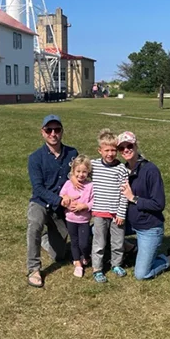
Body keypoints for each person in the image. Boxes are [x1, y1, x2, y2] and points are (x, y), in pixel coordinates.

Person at [26, 114, 79, 288]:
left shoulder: (72, 153)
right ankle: (34, 268)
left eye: (57, 129)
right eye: (49, 130)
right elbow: (38, 188)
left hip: (61, 209)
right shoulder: (35, 158)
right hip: (41, 202)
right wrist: (59, 199)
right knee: (34, 223)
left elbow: (80, 177)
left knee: (59, 256)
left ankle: (45, 240)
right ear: (42, 132)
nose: (53, 133)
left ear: (62, 131)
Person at [118, 131, 170, 280]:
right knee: (98, 229)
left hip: (149, 227)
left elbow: (159, 203)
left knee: (141, 274)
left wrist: (134, 198)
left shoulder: (150, 170)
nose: (126, 150)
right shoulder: (122, 170)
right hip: (130, 222)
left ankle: (169, 259)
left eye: (129, 145)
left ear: (136, 146)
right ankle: (131, 248)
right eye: (122, 148)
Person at [90, 129, 130, 283]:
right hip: (100, 213)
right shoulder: (93, 165)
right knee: (99, 243)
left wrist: (121, 213)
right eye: (107, 150)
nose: (110, 153)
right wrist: (73, 179)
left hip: (116, 215)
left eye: (113, 150)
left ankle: (116, 264)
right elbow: (78, 172)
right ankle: (97, 269)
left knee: (118, 242)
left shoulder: (121, 169)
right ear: (100, 150)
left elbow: (124, 194)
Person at [60, 155, 94, 278]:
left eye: (84, 172)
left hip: (84, 220)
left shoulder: (90, 186)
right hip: (70, 219)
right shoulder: (69, 184)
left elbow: (94, 202)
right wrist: (66, 201)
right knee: (74, 242)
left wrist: (84, 206)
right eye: (78, 171)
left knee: (84, 243)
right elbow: (62, 195)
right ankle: (77, 264)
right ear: (73, 172)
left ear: (88, 172)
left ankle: (85, 256)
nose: (81, 175)